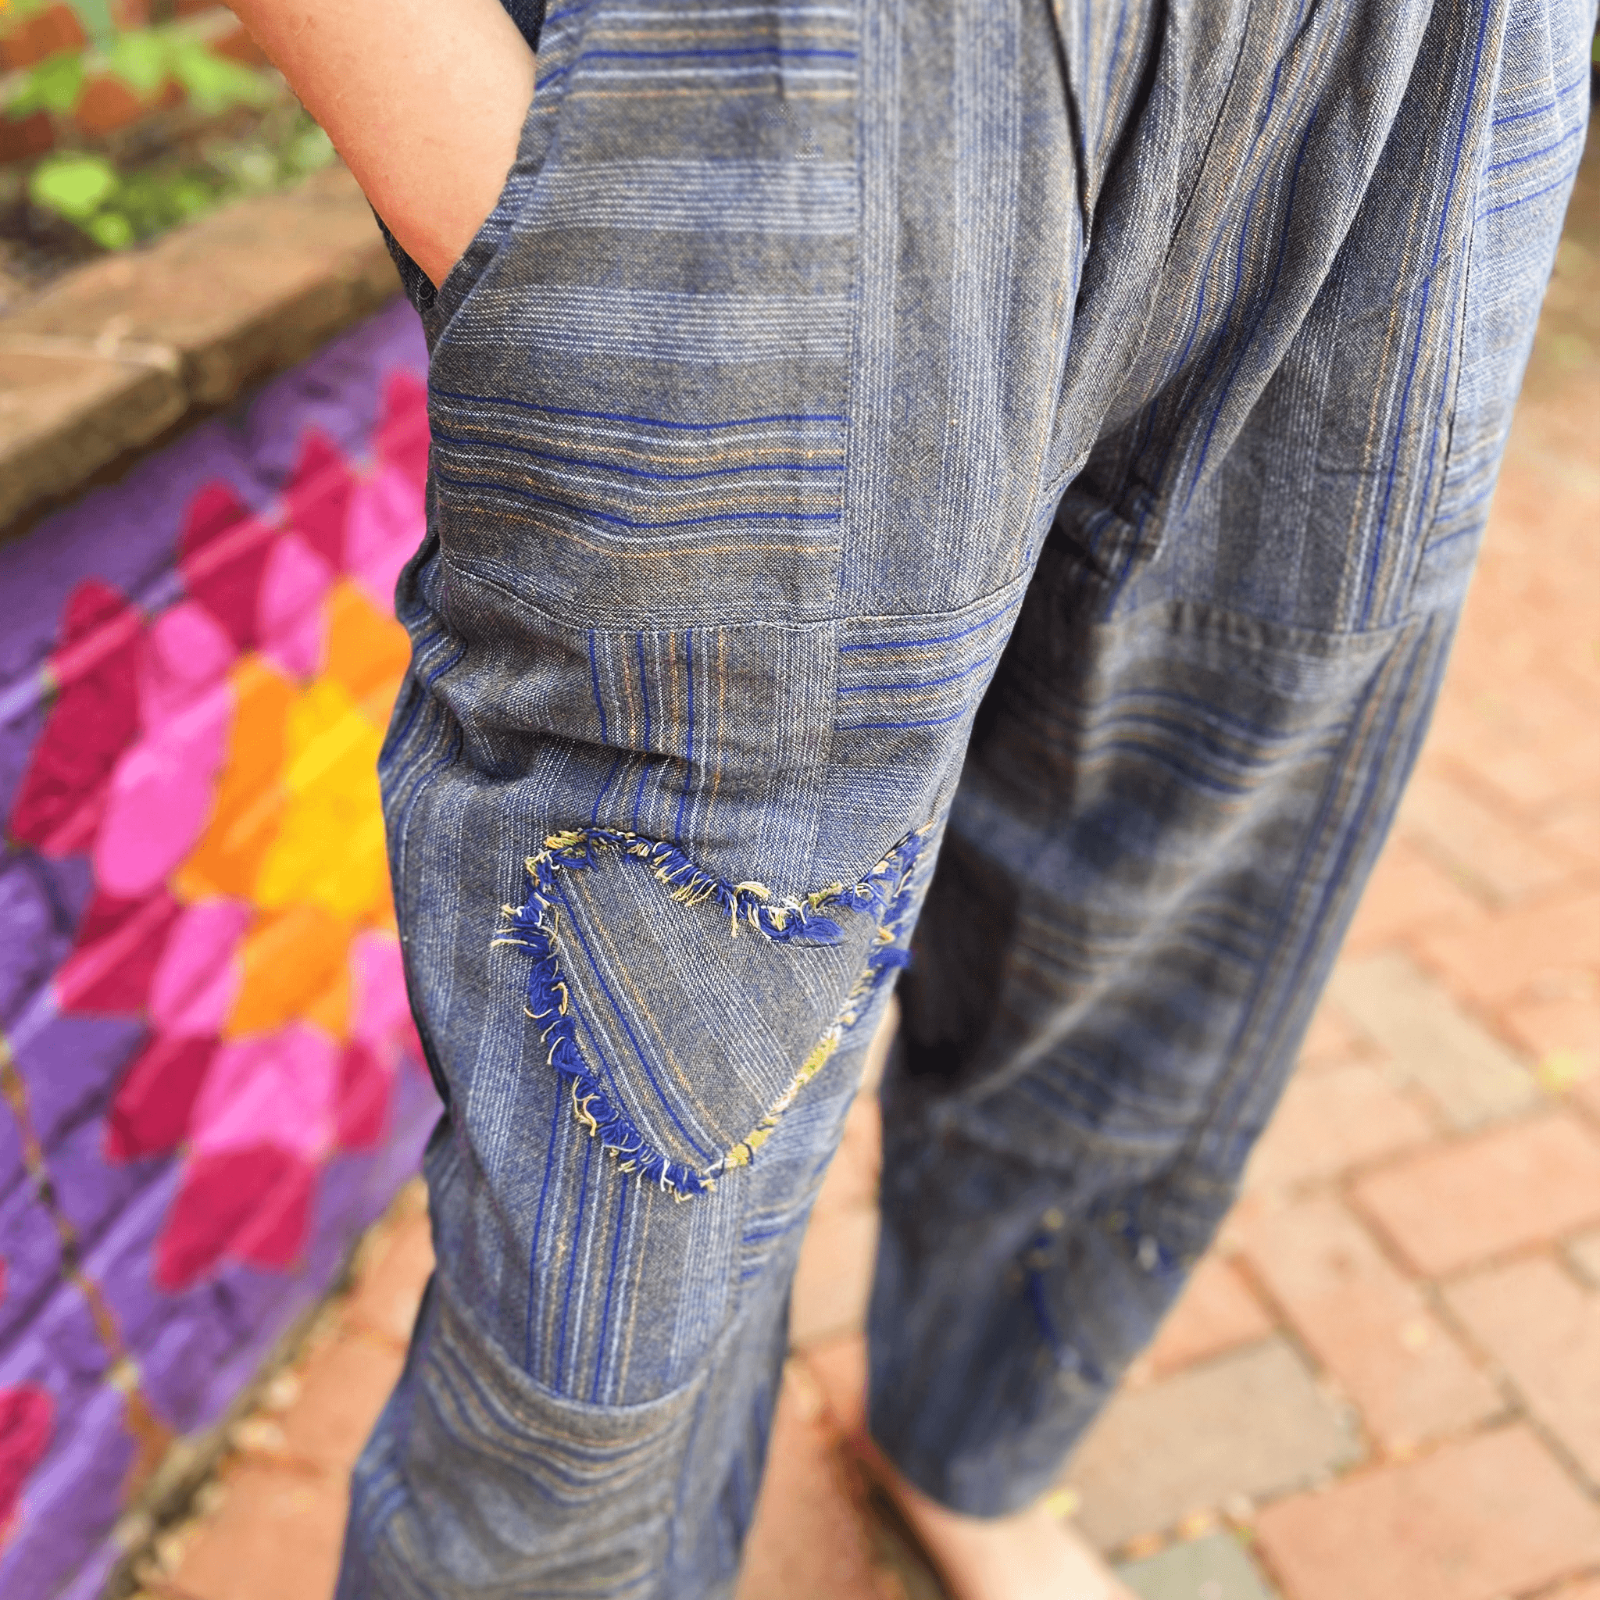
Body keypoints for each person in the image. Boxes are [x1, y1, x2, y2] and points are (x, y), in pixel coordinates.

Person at [230, 2, 1592, 1595]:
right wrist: (518, 203)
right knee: (631, 1201)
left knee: (1181, 889)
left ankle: (974, 1435)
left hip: (1437, 58)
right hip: (831, 81)